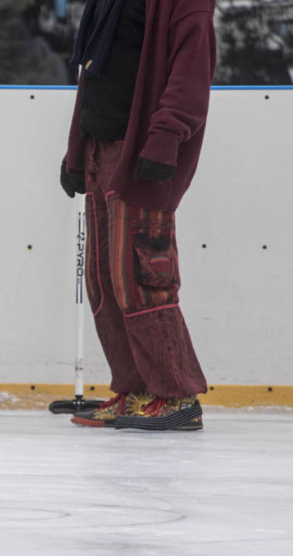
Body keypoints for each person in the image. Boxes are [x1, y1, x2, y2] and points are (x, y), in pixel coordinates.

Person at [61, 0, 214, 431]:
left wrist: (166, 140)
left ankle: (177, 393)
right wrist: (76, 151)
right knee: (105, 281)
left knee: (144, 277)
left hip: (141, 150)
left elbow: (191, 75)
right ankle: (136, 389)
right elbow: (92, 76)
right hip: (100, 147)